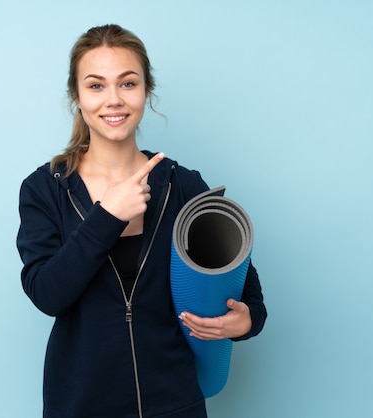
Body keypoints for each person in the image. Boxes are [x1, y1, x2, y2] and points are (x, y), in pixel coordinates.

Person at [16, 24, 267, 418]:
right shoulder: (45, 190)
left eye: (127, 83)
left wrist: (248, 320)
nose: (113, 100)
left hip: (176, 403)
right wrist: (108, 218)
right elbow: (47, 295)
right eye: (96, 86)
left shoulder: (182, 184)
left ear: (146, 91)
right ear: (76, 96)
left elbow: (245, 286)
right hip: (81, 406)